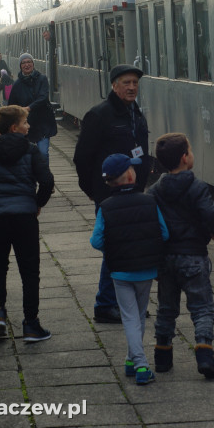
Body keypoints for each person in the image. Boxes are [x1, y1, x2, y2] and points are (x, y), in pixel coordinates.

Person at [147, 132, 214, 379]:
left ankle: (162, 355)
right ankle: (205, 354)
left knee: (166, 308)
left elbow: (152, 226)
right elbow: (210, 214)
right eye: (191, 150)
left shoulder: (154, 191)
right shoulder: (196, 187)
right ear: (185, 158)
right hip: (193, 257)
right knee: (202, 308)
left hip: (166, 259)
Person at [73, 63, 149, 324]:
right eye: (126, 83)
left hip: (134, 193)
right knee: (115, 249)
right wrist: (94, 190)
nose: (131, 87)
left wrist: (141, 185)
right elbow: (82, 157)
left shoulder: (135, 113)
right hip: (109, 196)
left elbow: (143, 151)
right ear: (114, 85)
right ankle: (105, 304)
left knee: (129, 248)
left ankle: (123, 303)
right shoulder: (100, 115)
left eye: (135, 83)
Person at [0, 105, 54, 342]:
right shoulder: (31, 151)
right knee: (29, 271)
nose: (29, 126)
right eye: (26, 122)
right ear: (14, 127)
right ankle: (31, 324)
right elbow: (47, 181)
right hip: (25, 219)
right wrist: (37, 203)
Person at [90, 153, 169, 385]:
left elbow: (96, 241)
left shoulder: (105, 207)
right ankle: (141, 365)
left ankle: (132, 361)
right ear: (130, 175)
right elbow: (164, 233)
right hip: (146, 270)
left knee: (130, 317)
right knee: (138, 317)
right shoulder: (149, 201)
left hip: (120, 272)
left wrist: (114, 246)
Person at [7, 53, 57, 158]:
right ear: (20, 66)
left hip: (42, 123)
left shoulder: (42, 79)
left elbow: (43, 97)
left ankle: (43, 174)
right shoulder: (17, 85)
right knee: (26, 155)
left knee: (43, 153)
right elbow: (11, 105)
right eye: (24, 63)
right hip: (25, 125)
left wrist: (29, 108)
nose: (27, 65)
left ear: (33, 64)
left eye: (29, 62)